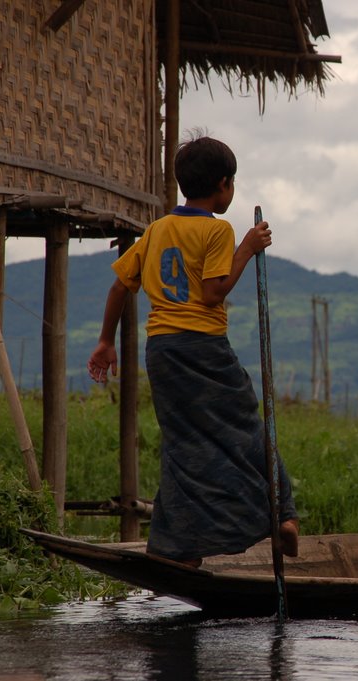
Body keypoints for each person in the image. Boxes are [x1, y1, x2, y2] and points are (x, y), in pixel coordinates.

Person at [87, 132, 298, 568]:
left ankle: (180, 549)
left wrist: (106, 340)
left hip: (162, 351)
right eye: (232, 183)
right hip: (203, 348)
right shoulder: (216, 230)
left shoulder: (157, 229)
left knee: (183, 443)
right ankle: (283, 515)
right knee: (243, 429)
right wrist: (246, 247)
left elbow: (119, 286)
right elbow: (211, 293)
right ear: (223, 184)